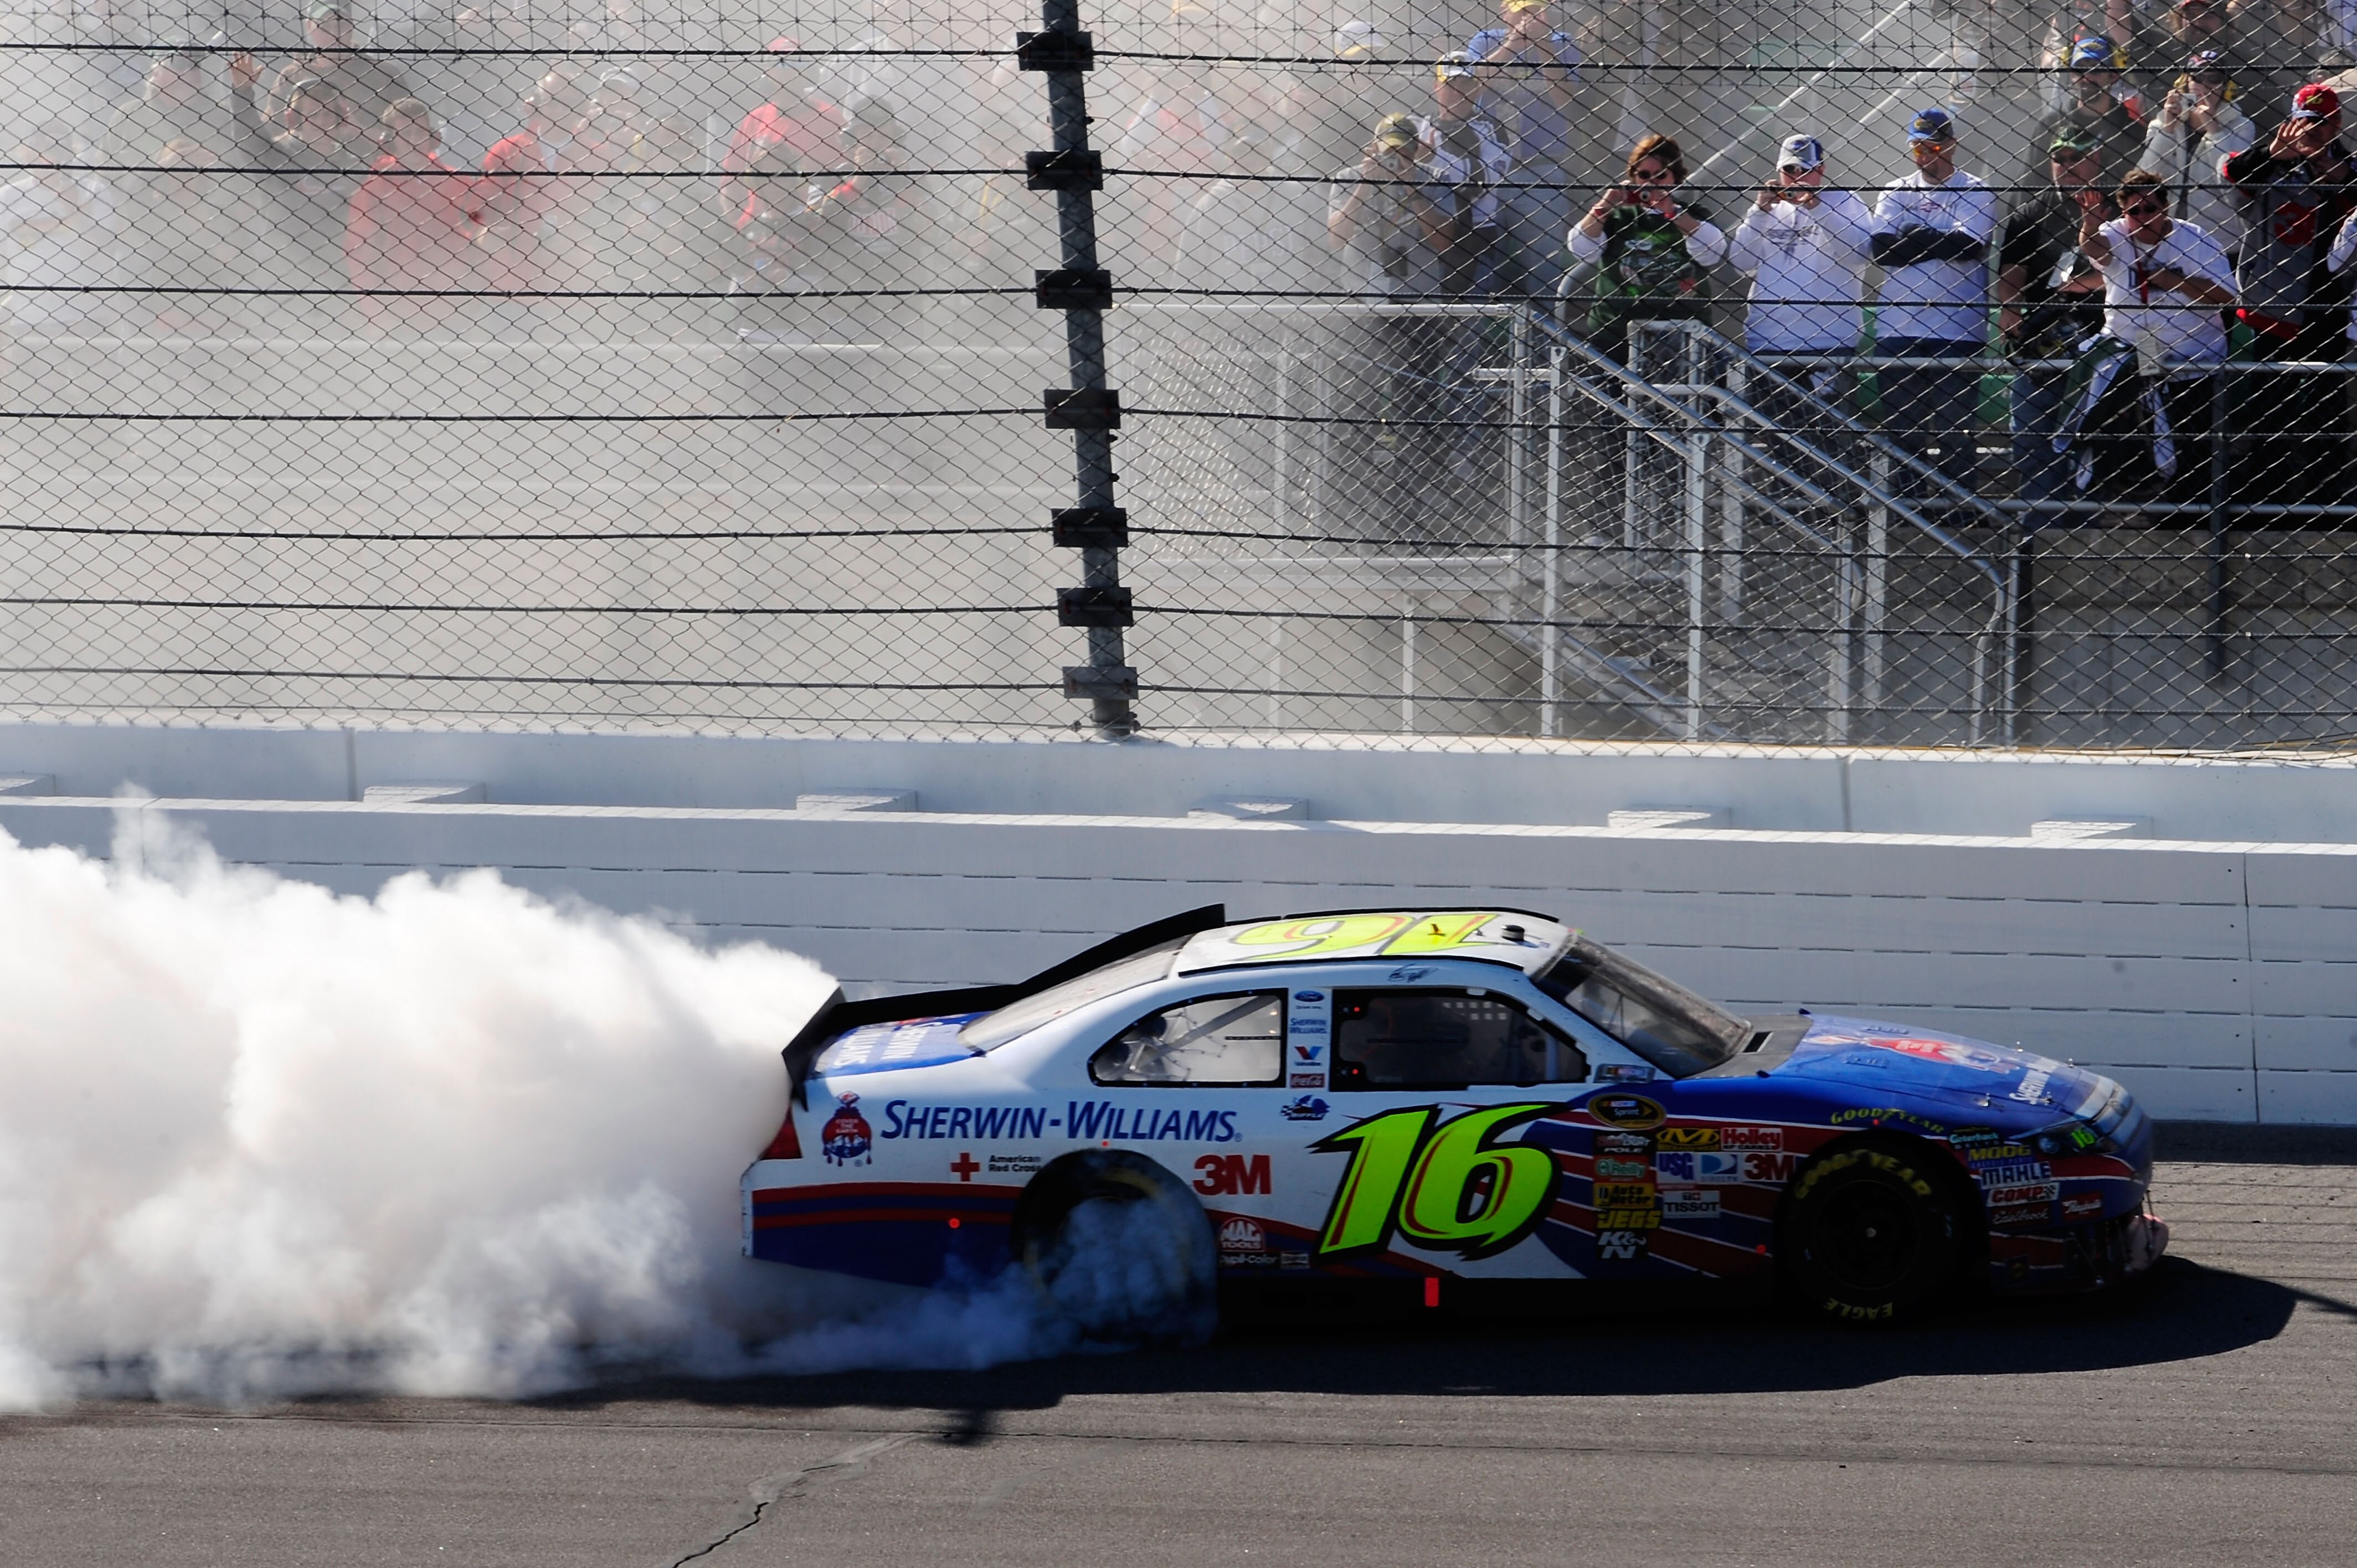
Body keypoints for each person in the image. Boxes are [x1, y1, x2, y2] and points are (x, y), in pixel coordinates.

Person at [2058, 168, 2237, 503]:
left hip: (2191, 361)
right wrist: (2088, 222)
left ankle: (2186, 509)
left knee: (2191, 449)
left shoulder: (2195, 239)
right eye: (2133, 212)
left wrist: (2177, 282)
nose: (2141, 218)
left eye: (2149, 209)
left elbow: (2228, 298)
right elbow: (2097, 250)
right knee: (2112, 432)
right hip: (2128, 354)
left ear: (2166, 208)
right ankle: (2107, 497)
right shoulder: (2115, 233)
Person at [2220, 82, 2356, 503]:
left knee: (2324, 406)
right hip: (2274, 304)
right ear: (2291, 120)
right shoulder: (2270, 163)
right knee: (2269, 403)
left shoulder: (2348, 167)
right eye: (2303, 122)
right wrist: (2274, 156)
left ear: (2335, 126)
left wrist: (2330, 170)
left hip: (2329, 308)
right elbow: (2231, 174)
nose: (2309, 132)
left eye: (2319, 125)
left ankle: (2323, 498)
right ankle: (2263, 499)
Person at [1326, 112, 1458, 533]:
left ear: (1418, 149)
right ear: (1374, 147)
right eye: (1389, 151)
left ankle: (1414, 508)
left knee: (1416, 406)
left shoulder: (1435, 177)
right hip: (1363, 305)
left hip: (1418, 303)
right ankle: (1351, 510)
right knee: (1354, 405)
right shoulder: (1350, 178)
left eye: (1404, 151)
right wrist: (1368, 185)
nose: (1396, 159)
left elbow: (1444, 241)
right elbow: (1335, 236)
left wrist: (1414, 191)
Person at [1870, 107, 1999, 485]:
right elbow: (1883, 250)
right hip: (1898, 327)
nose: (1926, 156)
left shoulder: (1976, 190)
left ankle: (1957, 513)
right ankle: (1905, 512)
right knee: (1902, 434)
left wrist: (1913, 235)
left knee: (1954, 433)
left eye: (1933, 148)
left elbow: (1968, 246)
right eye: (1918, 149)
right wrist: (1937, 241)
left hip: (1958, 330)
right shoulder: (1896, 190)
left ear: (1952, 146)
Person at [1999, 126, 2118, 525]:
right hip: (2045, 340)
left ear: (2096, 158)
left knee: (2099, 439)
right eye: (2059, 158)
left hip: (2105, 344)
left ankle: (2095, 526)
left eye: (2075, 157)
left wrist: (2091, 282)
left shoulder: (2120, 207)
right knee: (2032, 440)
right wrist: (2011, 310)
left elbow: (2139, 266)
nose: (2066, 165)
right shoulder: (2031, 211)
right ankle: (2041, 524)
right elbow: (2011, 275)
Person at [1725, 133, 1874, 400]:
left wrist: (1818, 207)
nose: (1797, 177)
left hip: (1828, 343)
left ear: (1822, 170)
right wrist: (1759, 213)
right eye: (1790, 170)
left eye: (1806, 170)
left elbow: (1861, 253)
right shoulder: (1767, 209)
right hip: (1768, 341)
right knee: (1773, 434)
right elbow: (1741, 263)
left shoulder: (1845, 201)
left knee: (1828, 433)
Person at [1568, 132, 1727, 360]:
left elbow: (1712, 253)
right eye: (1644, 175)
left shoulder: (1693, 214)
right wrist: (1606, 205)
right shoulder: (1618, 216)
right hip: (1616, 332)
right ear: (1633, 178)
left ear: (1675, 178)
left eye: (1661, 176)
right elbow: (1581, 249)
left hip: (1682, 334)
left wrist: (1672, 213)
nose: (1652, 182)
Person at [1466, 0, 1582, 297]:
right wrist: (1511, 46)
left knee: (1546, 272)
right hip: (1488, 171)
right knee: (1479, 267)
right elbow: (1469, 88)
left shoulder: (1563, 44)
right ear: (1506, 13)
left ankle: (1546, 341)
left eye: (1535, 11)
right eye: (1521, 11)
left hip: (1541, 169)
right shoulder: (1485, 41)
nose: (1528, 18)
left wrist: (1544, 47)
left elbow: (1570, 104)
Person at [342, 99, 482, 336]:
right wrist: (376, 312)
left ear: (433, 137)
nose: (414, 140)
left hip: (453, 310)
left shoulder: (459, 183)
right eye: (406, 133)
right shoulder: (376, 186)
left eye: (420, 132)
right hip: (394, 310)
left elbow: (478, 244)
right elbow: (360, 252)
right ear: (391, 140)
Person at [0, 125, 119, 337]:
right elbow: (13, 238)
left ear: (71, 152)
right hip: (29, 315)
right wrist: (68, 221)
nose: (48, 158)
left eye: (57, 150)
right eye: (40, 149)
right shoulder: (8, 197)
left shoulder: (93, 191)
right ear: (24, 151)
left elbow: (102, 250)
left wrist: (73, 211)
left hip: (87, 313)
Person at [2137, 51, 2256, 252]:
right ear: (2186, 83)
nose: (2205, 85)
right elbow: (2145, 175)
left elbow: (2233, 177)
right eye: (2198, 77)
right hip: (2169, 235)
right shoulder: (2162, 123)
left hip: (2221, 239)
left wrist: (2214, 131)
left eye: (2214, 79)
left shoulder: (2241, 126)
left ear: (2225, 86)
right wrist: (2167, 130)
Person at [721, 38, 845, 226]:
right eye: (780, 63)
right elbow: (730, 179)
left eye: (796, 62)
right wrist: (736, 222)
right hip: (758, 227)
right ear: (768, 72)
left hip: (810, 228)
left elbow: (847, 180)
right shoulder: (756, 119)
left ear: (806, 71)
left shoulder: (830, 119)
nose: (789, 72)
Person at [1421, 53, 1515, 297]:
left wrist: (1433, 160)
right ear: (1435, 87)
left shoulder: (1492, 129)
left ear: (1476, 89)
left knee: (1470, 323)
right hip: (1423, 236)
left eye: (1466, 84)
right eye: (1450, 84)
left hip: (1477, 237)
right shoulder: (1418, 128)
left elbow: (1481, 182)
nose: (1458, 91)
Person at [263, 2, 418, 135]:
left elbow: (413, 138)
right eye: (325, 25)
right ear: (310, 26)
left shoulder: (383, 74)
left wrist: (361, 131)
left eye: (341, 24)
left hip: (373, 165)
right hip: (305, 166)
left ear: (352, 25)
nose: (334, 33)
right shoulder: (292, 75)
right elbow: (270, 139)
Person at [2025, 36, 2147, 202]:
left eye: (2096, 70)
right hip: (2057, 218)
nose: (2087, 77)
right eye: (2080, 70)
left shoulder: (2132, 132)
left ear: (2113, 76)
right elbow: (2030, 186)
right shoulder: (2050, 125)